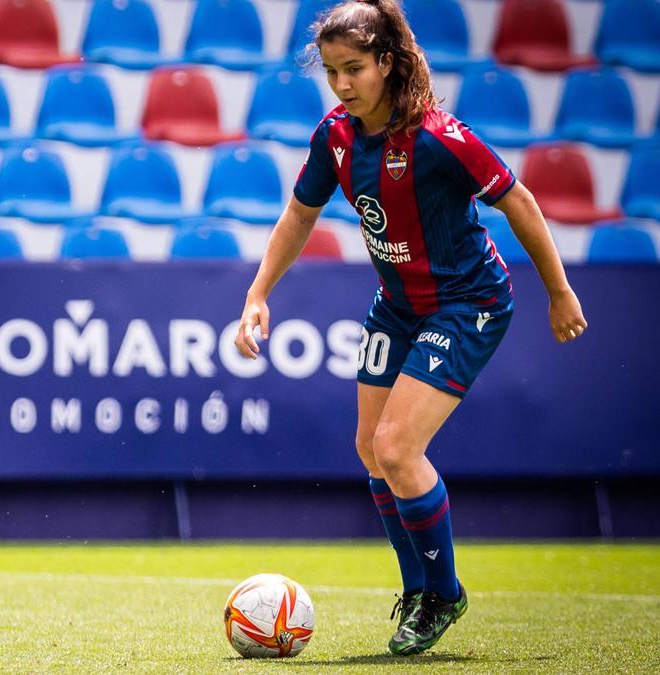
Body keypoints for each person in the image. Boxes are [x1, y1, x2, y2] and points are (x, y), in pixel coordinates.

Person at [233, 0, 587, 657]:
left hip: (467, 301)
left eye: (354, 69)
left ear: (387, 63)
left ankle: (443, 590)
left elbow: (522, 202)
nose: (341, 84)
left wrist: (559, 292)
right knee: (372, 448)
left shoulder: (439, 137)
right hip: (397, 305)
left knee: (397, 447)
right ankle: (420, 590)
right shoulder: (336, 137)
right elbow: (298, 216)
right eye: (332, 71)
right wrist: (258, 293)